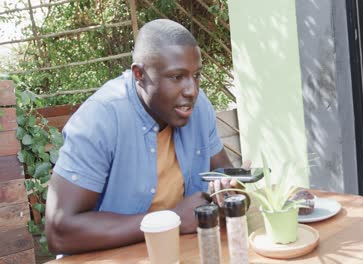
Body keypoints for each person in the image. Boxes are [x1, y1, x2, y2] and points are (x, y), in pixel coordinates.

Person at [45, 19, 243, 255]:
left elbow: (223, 174)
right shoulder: (100, 119)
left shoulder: (198, 108)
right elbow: (59, 231)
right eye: (177, 77)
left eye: (196, 75)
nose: (192, 90)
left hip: (180, 251)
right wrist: (173, 219)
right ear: (139, 74)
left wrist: (234, 188)